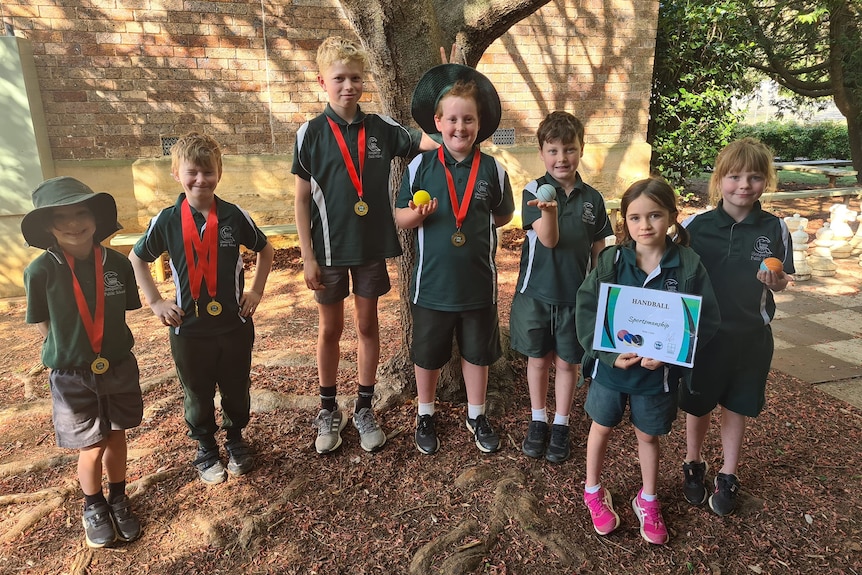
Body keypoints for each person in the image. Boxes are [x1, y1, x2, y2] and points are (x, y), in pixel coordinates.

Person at [292, 36, 439, 455]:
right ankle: (327, 409)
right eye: (339, 78)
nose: (348, 86)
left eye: (356, 78)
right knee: (330, 329)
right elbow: (302, 200)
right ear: (323, 81)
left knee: (368, 326)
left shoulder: (381, 128)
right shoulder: (310, 134)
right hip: (328, 252)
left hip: (370, 247)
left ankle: (363, 406)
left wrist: (450, 110)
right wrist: (307, 256)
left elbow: (428, 140)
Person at [575, 178, 720, 544]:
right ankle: (593, 490)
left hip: (657, 377)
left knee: (648, 435)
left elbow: (706, 321)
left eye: (655, 215)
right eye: (635, 217)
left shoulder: (687, 265)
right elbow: (588, 309)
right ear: (625, 221)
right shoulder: (613, 259)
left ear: (672, 217)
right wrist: (606, 354)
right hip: (612, 371)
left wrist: (671, 356)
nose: (645, 225)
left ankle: (648, 499)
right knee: (601, 427)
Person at [129, 132, 273, 485]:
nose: (200, 180)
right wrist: (156, 302)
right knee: (197, 391)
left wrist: (255, 290)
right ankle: (206, 447)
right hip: (188, 329)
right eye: (192, 172)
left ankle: (236, 439)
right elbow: (136, 258)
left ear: (219, 173)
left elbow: (265, 250)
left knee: (237, 387)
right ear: (176, 173)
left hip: (234, 324)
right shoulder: (166, 220)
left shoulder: (234, 216)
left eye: (208, 172)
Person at [395, 63, 515, 455]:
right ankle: (425, 412)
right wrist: (416, 216)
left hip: (478, 286)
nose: (459, 127)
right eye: (452, 120)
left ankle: (476, 414)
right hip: (432, 285)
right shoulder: (419, 166)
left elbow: (502, 214)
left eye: (468, 120)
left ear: (479, 125)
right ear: (437, 122)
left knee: (477, 354)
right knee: (428, 356)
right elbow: (400, 216)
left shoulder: (493, 169)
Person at [22, 177, 144, 548]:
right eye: (62, 217)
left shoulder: (117, 264)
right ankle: (93, 505)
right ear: (47, 226)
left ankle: (118, 498)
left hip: (118, 366)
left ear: (95, 216)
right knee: (91, 445)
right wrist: (65, 349)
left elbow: (120, 313)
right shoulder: (40, 271)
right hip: (73, 374)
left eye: (81, 212)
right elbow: (42, 321)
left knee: (118, 435)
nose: (73, 223)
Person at [679, 137, 794, 516]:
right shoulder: (694, 226)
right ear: (719, 180)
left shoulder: (776, 229)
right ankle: (693, 462)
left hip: (750, 338)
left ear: (767, 181)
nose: (744, 185)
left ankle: (728, 473)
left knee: (736, 405)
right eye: (735, 176)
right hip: (703, 338)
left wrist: (778, 283)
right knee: (698, 406)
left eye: (755, 177)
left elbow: (783, 278)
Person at [511, 111, 614, 463]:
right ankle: (538, 419)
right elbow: (549, 239)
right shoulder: (532, 192)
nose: (561, 158)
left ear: (581, 150)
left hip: (575, 298)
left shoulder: (593, 199)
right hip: (536, 295)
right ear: (542, 153)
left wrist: (602, 288)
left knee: (568, 364)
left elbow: (600, 248)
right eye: (553, 150)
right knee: (538, 360)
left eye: (569, 149)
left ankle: (561, 423)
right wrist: (549, 210)